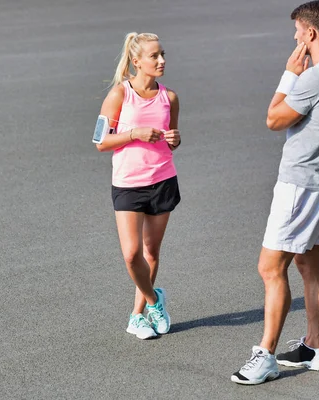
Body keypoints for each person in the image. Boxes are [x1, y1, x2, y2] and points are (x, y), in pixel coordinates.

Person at [231, 1, 319, 384]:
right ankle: (312, 348)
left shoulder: (316, 78)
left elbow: (273, 118)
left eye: (298, 32)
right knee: (309, 265)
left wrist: (288, 75)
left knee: (270, 267)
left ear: (312, 34)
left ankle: (265, 355)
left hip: (299, 186)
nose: (295, 38)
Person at [95, 32, 181, 339]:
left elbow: (173, 138)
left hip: (162, 180)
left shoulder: (169, 97)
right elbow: (100, 141)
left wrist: (175, 139)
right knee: (132, 255)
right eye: (154, 56)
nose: (161, 60)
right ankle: (156, 299)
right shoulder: (120, 94)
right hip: (129, 185)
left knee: (151, 253)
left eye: (162, 54)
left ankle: (137, 316)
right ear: (136, 61)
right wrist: (134, 134)